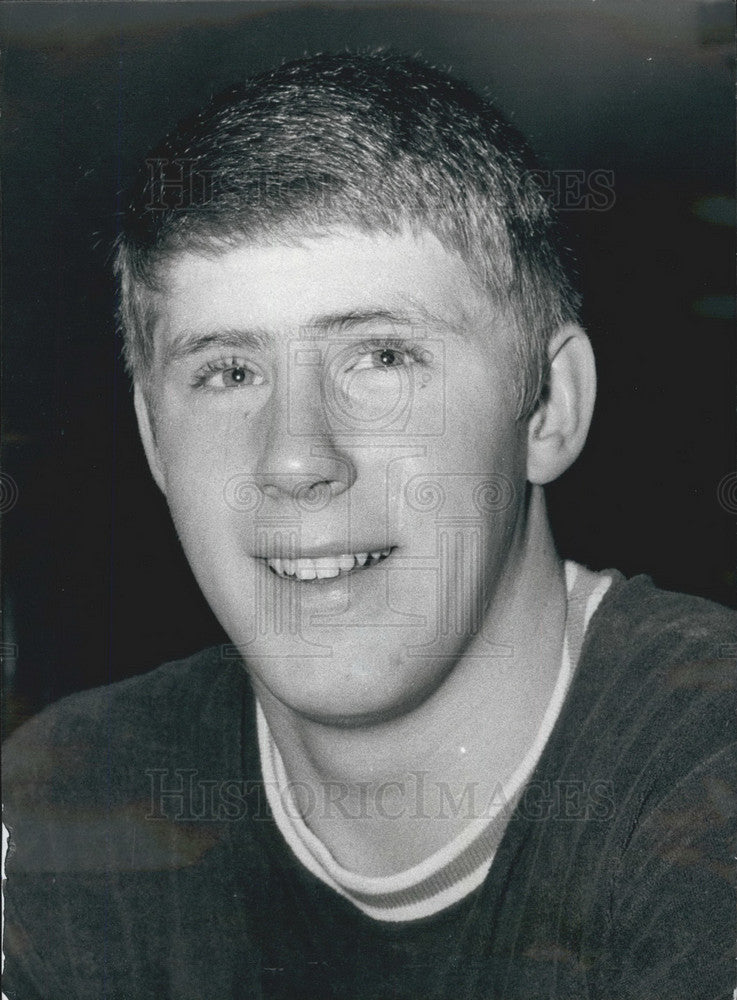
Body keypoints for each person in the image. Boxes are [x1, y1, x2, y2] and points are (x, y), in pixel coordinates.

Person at [3, 51, 734, 1000]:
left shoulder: (707, 769)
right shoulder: (65, 803)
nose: (296, 458)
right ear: (152, 439)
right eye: (227, 372)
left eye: (381, 356)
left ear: (548, 405)